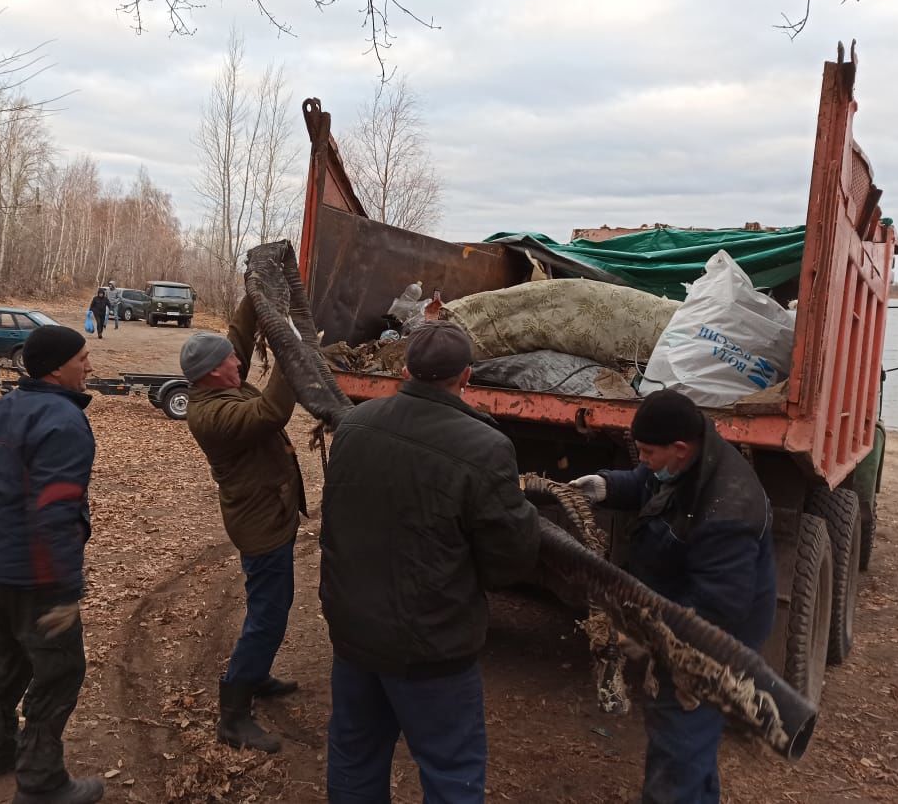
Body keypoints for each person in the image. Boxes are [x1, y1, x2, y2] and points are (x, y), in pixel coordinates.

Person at [319, 321, 541, 804]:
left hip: (354, 633)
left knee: (355, 754)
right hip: (431, 648)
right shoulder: (486, 447)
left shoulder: (354, 425)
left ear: (404, 369)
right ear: (467, 376)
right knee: (450, 769)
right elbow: (509, 562)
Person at [569, 389, 776, 804]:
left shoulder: (727, 512)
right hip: (685, 611)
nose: (643, 460)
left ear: (680, 449)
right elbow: (647, 483)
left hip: (713, 641)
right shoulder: (686, 464)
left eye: (647, 452)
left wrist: (650, 635)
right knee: (691, 745)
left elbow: (719, 607)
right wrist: (606, 487)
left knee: (680, 740)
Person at [0, 325, 103, 804]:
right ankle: (42, 781)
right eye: (82, 358)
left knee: (7, 658)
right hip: (34, 574)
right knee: (61, 670)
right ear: (55, 367)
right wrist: (63, 589)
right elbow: (56, 510)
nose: (89, 366)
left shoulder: (0, 409)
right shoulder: (63, 422)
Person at [181, 295, 305, 753]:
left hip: (271, 513)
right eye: (231, 360)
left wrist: (255, 296)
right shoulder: (211, 415)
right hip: (261, 526)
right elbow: (271, 412)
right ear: (214, 371)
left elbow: (234, 340)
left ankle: (255, 674)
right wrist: (294, 352)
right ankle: (233, 714)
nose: (239, 359)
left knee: (272, 606)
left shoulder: (218, 380)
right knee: (268, 614)